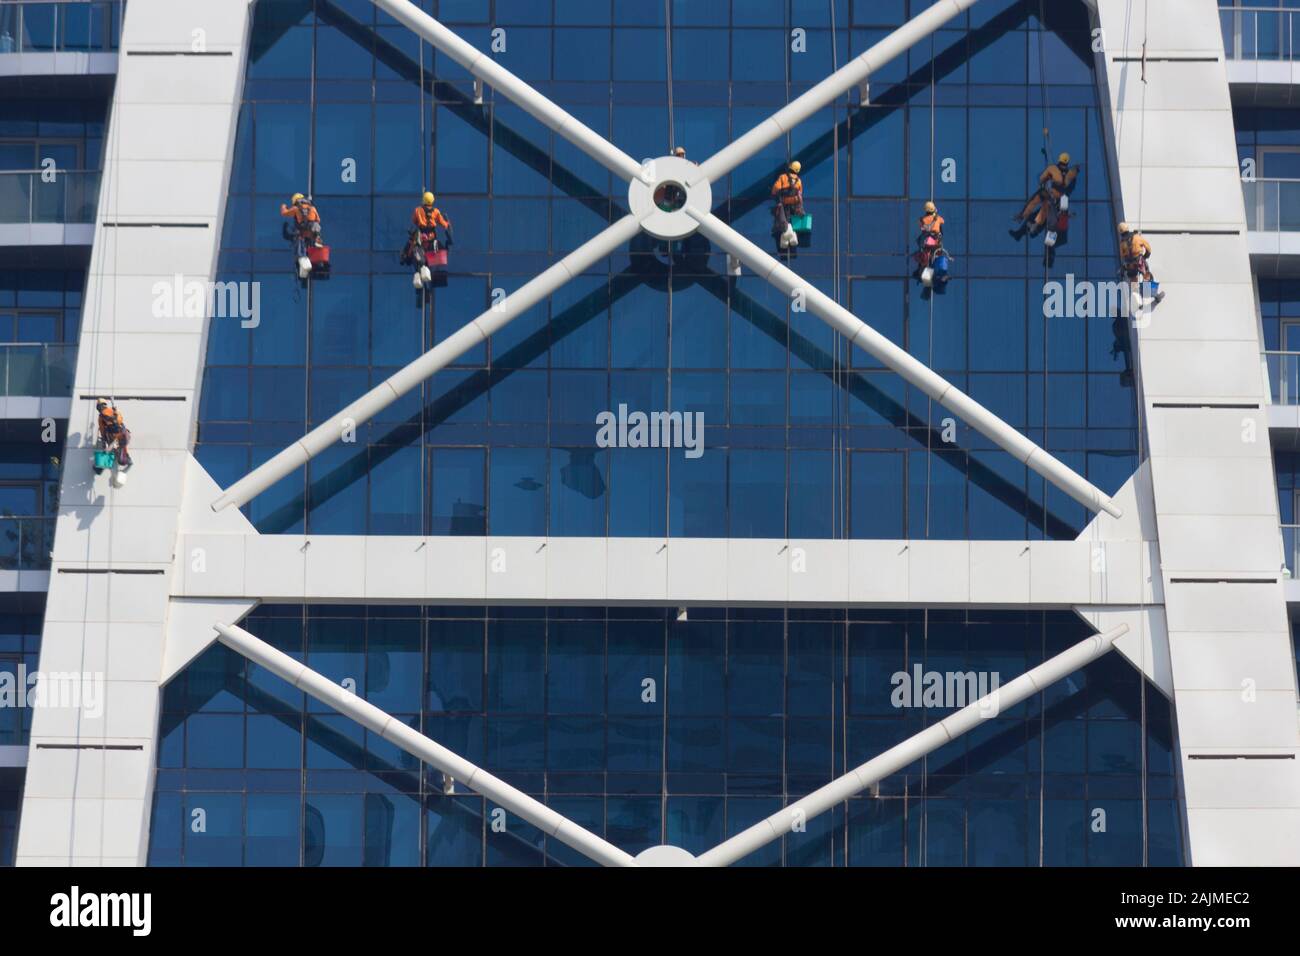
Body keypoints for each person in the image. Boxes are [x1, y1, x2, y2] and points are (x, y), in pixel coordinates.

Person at [1014, 152, 1080, 229]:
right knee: (1046, 206)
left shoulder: (1052, 168)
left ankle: (1022, 216)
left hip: (1050, 192)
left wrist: (1044, 181)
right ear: (1067, 162)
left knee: (1035, 200)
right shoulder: (1070, 173)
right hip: (1059, 196)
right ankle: (1035, 226)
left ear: (1059, 160)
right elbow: (1074, 172)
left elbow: (1042, 178)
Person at [1118, 222, 1165, 303]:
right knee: (1147, 276)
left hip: (1130, 265)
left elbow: (1122, 256)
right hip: (1139, 262)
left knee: (1134, 283)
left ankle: (1138, 302)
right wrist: (1146, 256)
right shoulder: (1137, 238)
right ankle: (1155, 295)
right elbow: (1148, 248)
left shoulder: (1122, 243)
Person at [406, 191, 452, 265]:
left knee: (412, 243)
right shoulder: (436, 211)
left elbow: (414, 221)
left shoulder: (417, 210)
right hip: (431, 236)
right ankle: (432, 260)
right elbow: (442, 223)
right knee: (437, 246)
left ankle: (408, 258)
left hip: (420, 235)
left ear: (423, 200)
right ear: (432, 201)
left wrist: (420, 222)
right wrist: (447, 224)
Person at [280, 192, 323, 258]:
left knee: (299, 242)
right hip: (312, 230)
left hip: (301, 231)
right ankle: (317, 240)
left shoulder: (296, 208)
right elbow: (318, 220)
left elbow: (284, 213)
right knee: (316, 228)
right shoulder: (312, 208)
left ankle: (301, 255)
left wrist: (283, 206)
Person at [95, 398, 132, 470]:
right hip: (125, 435)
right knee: (121, 449)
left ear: (99, 407)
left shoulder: (101, 416)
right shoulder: (114, 411)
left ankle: (101, 466)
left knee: (109, 450)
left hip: (116, 438)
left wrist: (104, 439)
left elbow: (102, 429)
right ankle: (127, 459)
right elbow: (120, 419)